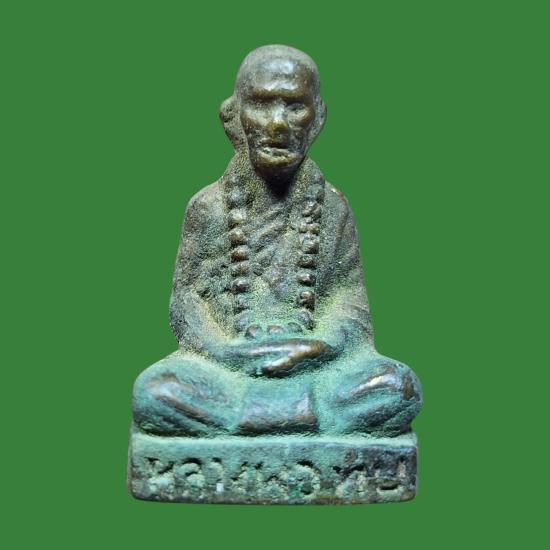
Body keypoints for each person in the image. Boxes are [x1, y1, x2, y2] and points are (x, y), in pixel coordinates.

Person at [132, 45, 422, 438]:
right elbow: (187, 303)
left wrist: (321, 346)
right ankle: (298, 420)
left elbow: (349, 299)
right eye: (262, 105)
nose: (278, 124)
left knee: (398, 387)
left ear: (318, 118)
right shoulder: (208, 208)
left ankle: (255, 421)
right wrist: (226, 352)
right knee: (156, 392)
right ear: (233, 117)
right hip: (227, 367)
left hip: (314, 367)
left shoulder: (333, 208)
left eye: (295, 106)